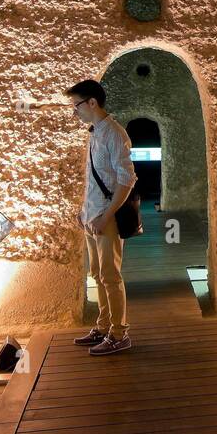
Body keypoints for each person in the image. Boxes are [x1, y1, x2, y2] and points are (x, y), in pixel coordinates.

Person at [66, 79, 137, 356]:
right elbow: (95, 179)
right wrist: (84, 211)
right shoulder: (95, 132)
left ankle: (119, 334)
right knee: (96, 273)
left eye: (76, 106)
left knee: (110, 275)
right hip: (92, 217)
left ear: (92, 103)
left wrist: (106, 216)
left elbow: (126, 179)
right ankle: (104, 325)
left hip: (108, 218)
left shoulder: (115, 134)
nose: (75, 112)